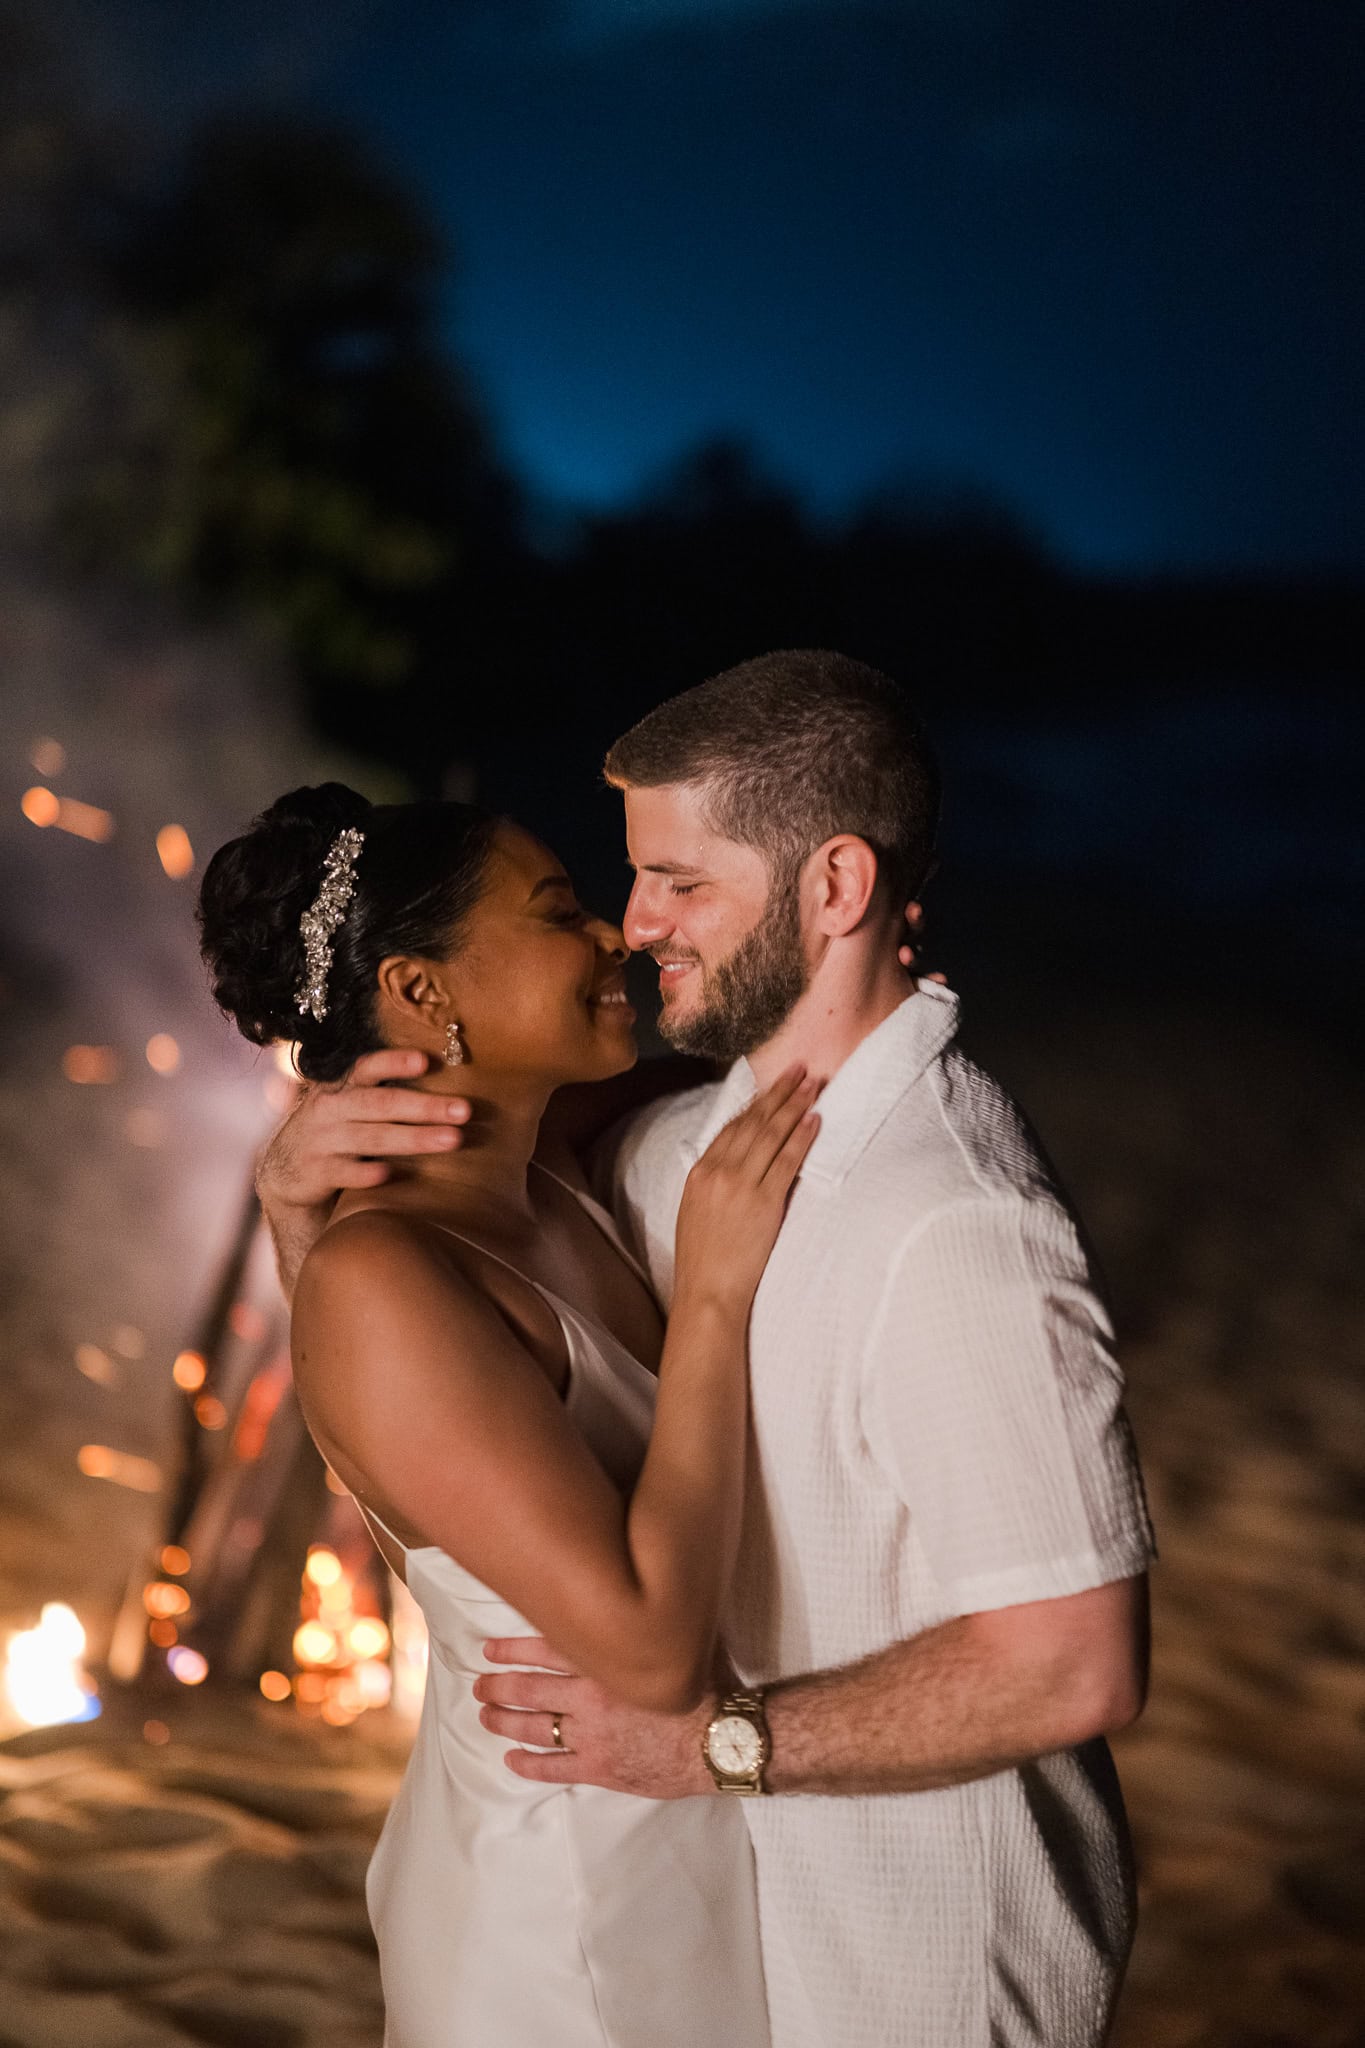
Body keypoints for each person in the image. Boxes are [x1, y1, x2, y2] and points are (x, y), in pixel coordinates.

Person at [260, 651, 1156, 2048]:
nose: (631, 926)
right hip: (633, 1895)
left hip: (885, 1927)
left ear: (837, 887)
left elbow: (1077, 1666)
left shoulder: (937, 1220)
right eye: (607, 888)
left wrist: (718, 1749)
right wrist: (293, 1212)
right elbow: (409, 1367)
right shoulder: (659, 1158)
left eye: (676, 883)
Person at [197, 781, 826, 2048]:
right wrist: (710, 1297)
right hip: (566, 1909)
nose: (615, 933)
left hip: (668, 1840)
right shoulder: (383, 1274)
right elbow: (647, 1654)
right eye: (560, 912)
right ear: (423, 992)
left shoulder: (543, 1172)